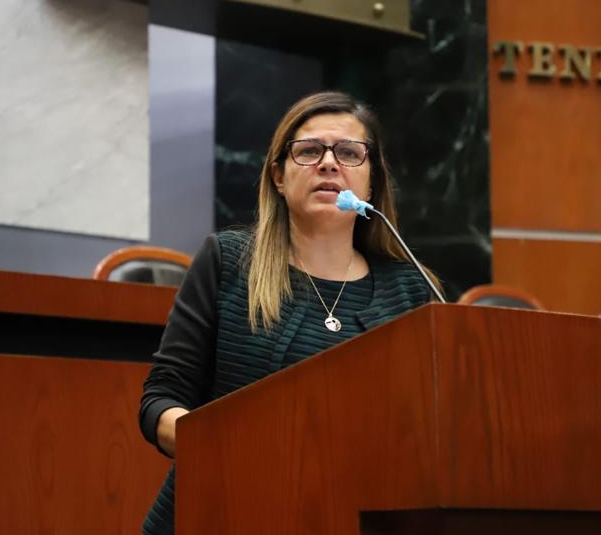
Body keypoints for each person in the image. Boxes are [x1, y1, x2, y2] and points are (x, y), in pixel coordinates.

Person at [138, 91, 438, 534]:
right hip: (222, 512)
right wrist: (222, 447)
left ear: (373, 182)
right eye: (310, 150)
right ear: (278, 176)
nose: (329, 164)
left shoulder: (411, 288)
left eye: (349, 153)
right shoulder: (229, 261)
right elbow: (161, 401)